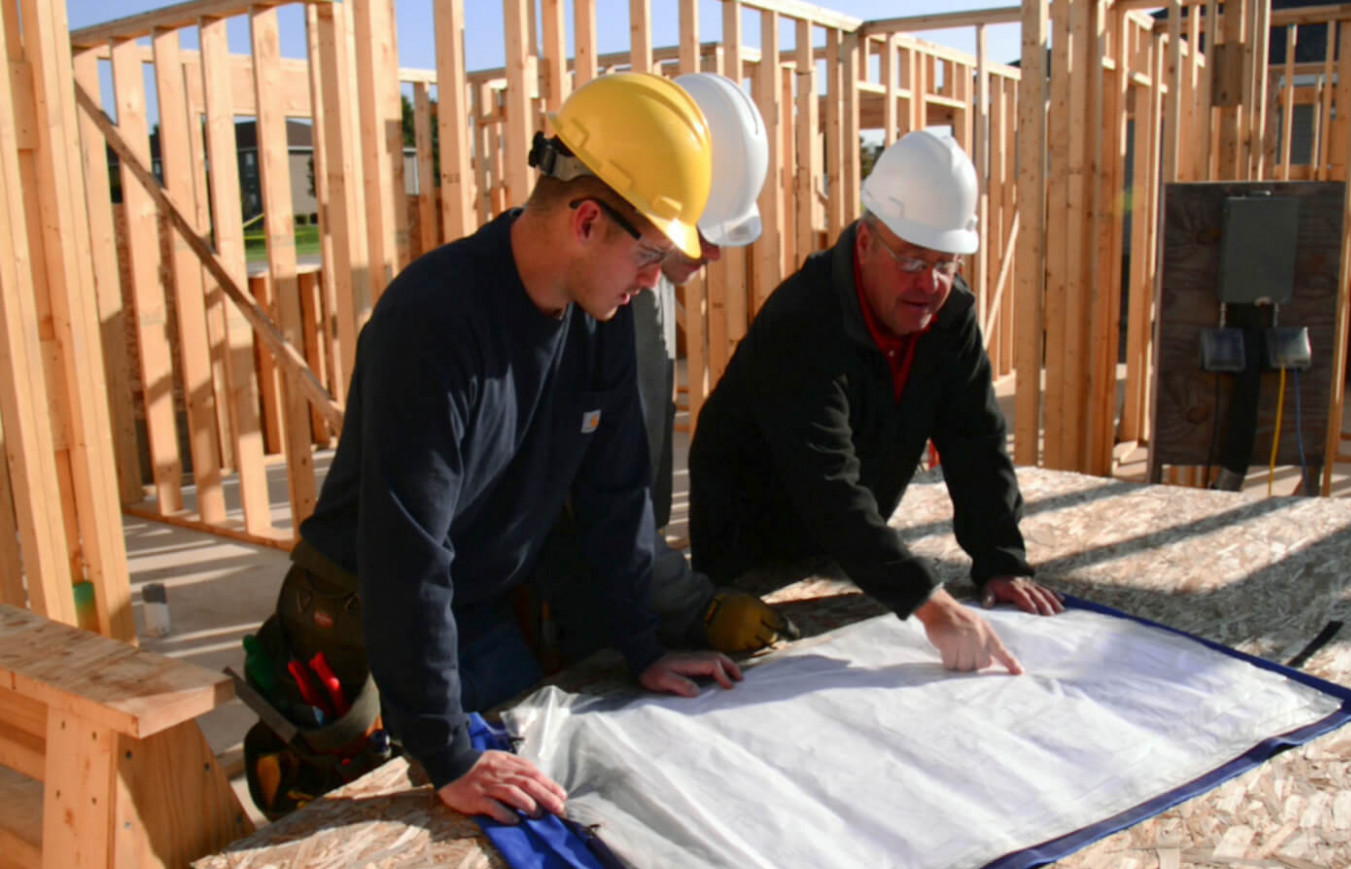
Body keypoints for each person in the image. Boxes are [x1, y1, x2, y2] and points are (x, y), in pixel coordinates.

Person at [292, 73, 742, 826]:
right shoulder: (434, 325)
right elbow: (407, 551)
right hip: (365, 614)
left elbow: (616, 493)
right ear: (588, 220)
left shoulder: (599, 317)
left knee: (558, 790)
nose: (653, 279)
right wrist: (448, 755)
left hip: (474, 598)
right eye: (650, 254)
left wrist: (644, 643)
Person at [687, 129, 1064, 677]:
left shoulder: (948, 317)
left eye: (946, 262)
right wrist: (929, 605)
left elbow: (975, 441)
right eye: (911, 260)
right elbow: (826, 481)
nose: (930, 284)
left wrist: (1000, 562)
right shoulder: (803, 320)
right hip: (753, 542)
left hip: (847, 548)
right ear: (865, 242)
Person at [532, 72, 794, 655]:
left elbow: (630, 495)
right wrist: (691, 608)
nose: (716, 254)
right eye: (697, 234)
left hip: (622, 600)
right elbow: (596, 504)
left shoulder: (643, 286)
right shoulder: (599, 297)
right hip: (564, 610)